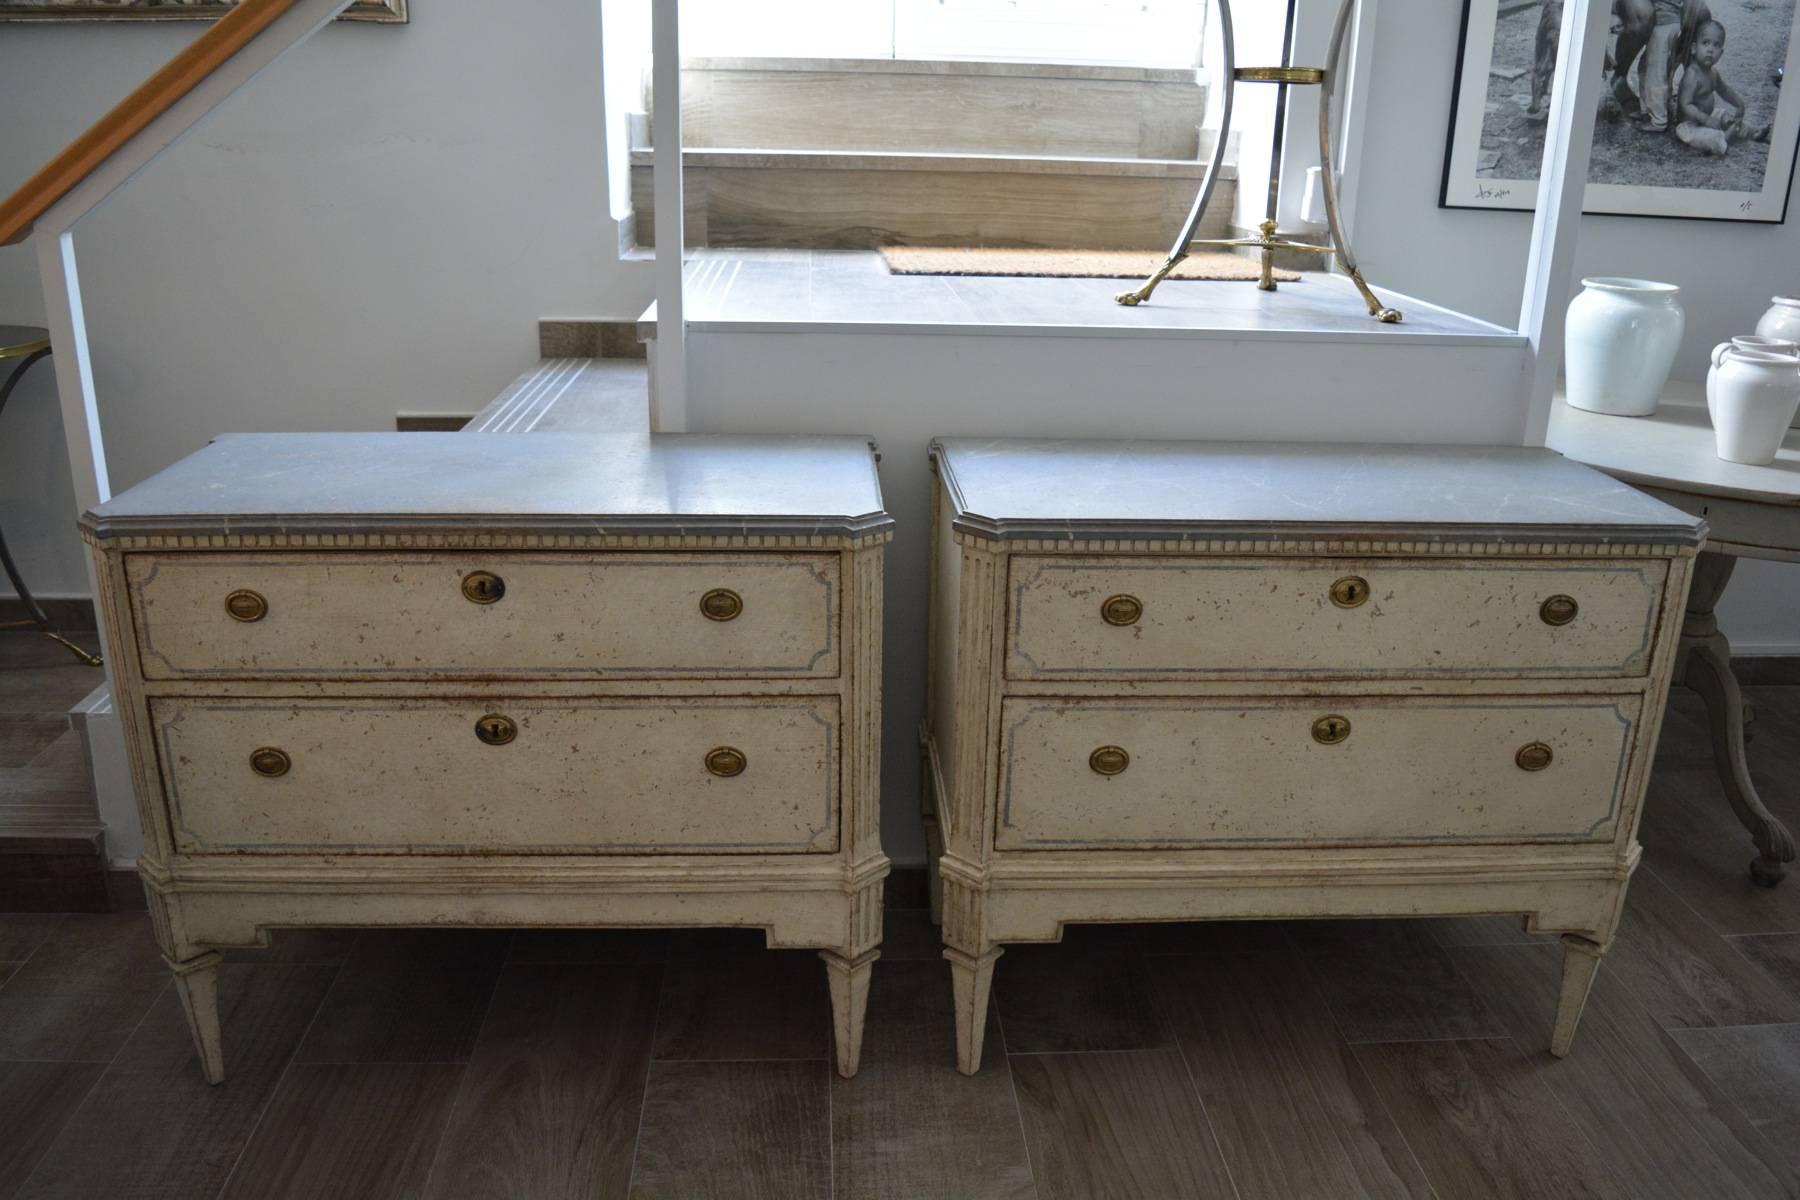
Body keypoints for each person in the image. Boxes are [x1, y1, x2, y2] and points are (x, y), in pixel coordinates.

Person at [1676, 18, 1773, 154]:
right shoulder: (1692, 75)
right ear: (1694, 48)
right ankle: (1724, 138)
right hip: (1689, 125)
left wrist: (1739, 104)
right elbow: (1685, 105)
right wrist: (1705, 119)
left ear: (1721, 53)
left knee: (1726, 117)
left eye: (1716, 45)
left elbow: (1724, 90)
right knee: (1710, 137)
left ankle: (1753, 132)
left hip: (1709, 115)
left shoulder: (1713, 73)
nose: (1710, 49)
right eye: (1705, 43)